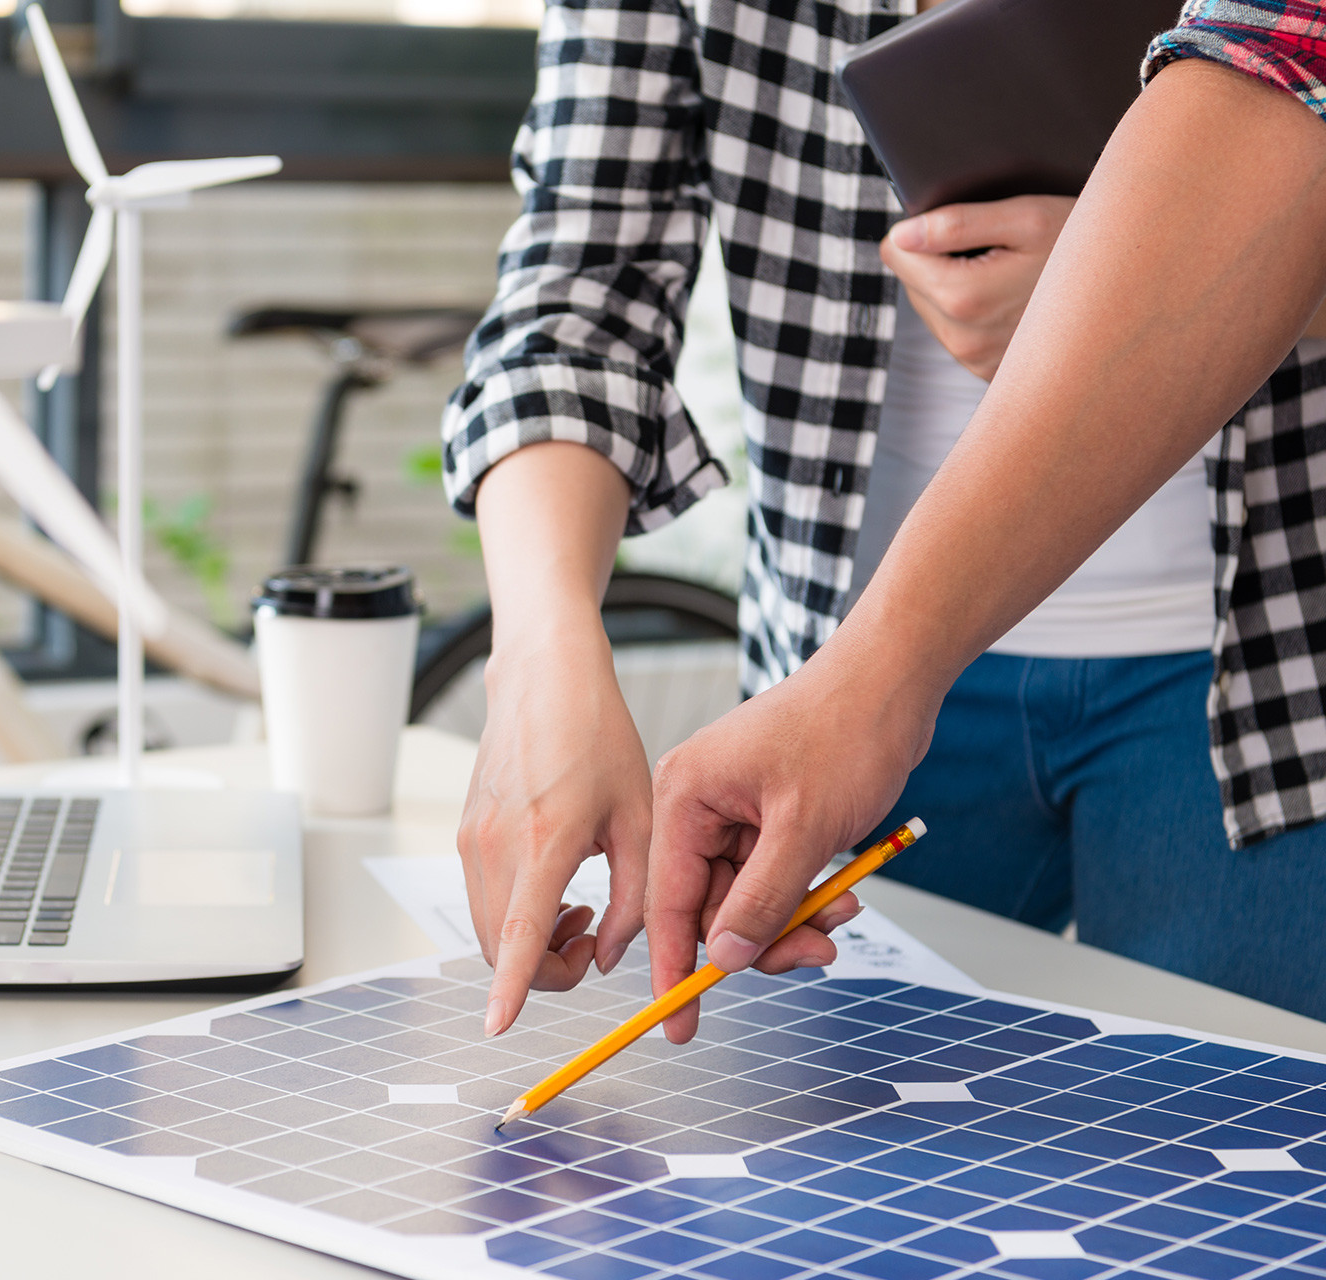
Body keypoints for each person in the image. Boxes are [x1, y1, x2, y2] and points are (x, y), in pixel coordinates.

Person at [443, 0, 1326, 1040]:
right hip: (831, 696)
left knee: (1238, 1161)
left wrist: (1155, 276)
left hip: (1271, 674)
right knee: (818, 1179)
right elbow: (577, 301)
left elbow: (1285, 70)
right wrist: (542, 650)